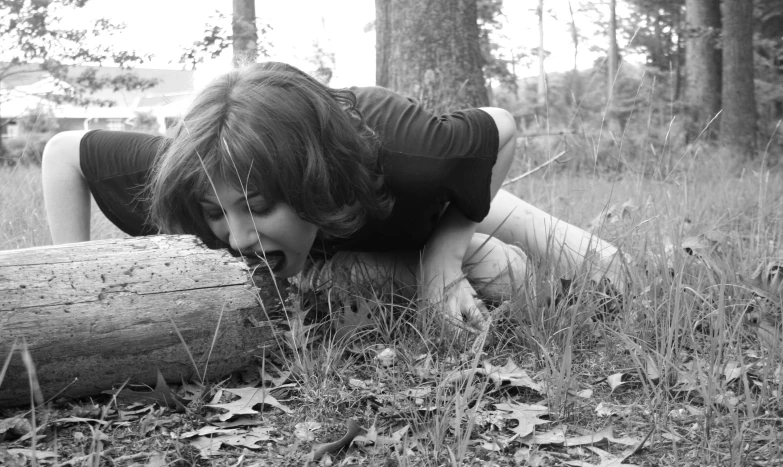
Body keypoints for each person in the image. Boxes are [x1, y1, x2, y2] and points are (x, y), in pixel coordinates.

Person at [42, 61, 627, 330]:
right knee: (496, 274)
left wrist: (442, 262)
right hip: (338, 240)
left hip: (405, 198)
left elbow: (500, 126)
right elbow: (64, 153)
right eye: (220, 213)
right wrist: (72, 285)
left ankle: (487, 216)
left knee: (597, 276)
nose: (239, 238)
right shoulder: (193, 170)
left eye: (258, 205)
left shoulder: (414, 152)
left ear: (307, 185)